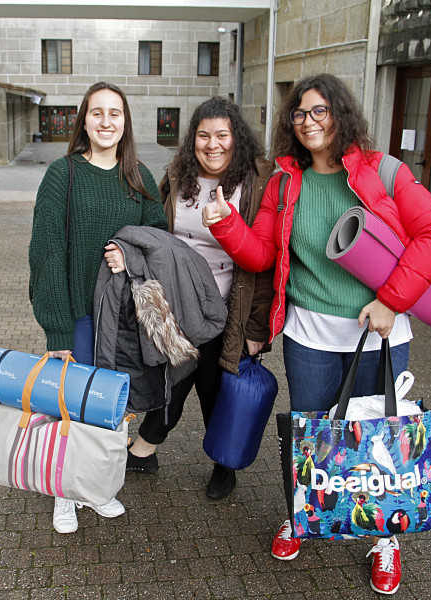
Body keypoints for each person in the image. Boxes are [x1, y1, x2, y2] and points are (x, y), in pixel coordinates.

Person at [203, 74, 431, 595]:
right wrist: (225, 224)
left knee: (380, 437)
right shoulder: (283, 181)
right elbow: (261, 254)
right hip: (310, 334)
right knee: (313, 435)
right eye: (299, 114)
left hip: (381, 329)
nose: (308, 122)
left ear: (340, 114)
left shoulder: (383, 171)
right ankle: (305, 516)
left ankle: (385, 535)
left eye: (319, 111)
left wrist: (391, 299)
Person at [28, 82, 168, 534]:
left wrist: (131, 256)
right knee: (72, 407)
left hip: (125, 319)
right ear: (84, 120)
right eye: (97, 113)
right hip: (81, 317)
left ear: (125, 122)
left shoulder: (141, 178)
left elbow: (159, 243)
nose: (106, 121)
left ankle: (97, 487)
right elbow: (47, 252)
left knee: (110, 411)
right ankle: (64, 495)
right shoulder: (62, 174)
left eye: (116, 113)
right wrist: (57, 330)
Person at [121, 97, 275, 501]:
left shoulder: (258, 180)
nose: (212, 144)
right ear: (193, 141)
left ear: (236, 138)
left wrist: (257, 326)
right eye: (203, 136)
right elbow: (155, 229)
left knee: (214, 385)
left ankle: (220, 464)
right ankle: (148, 447)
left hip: (230, 309)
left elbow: (266, 260)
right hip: (178, 306)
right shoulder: (177, 175)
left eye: (222, 135)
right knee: (173, 376)